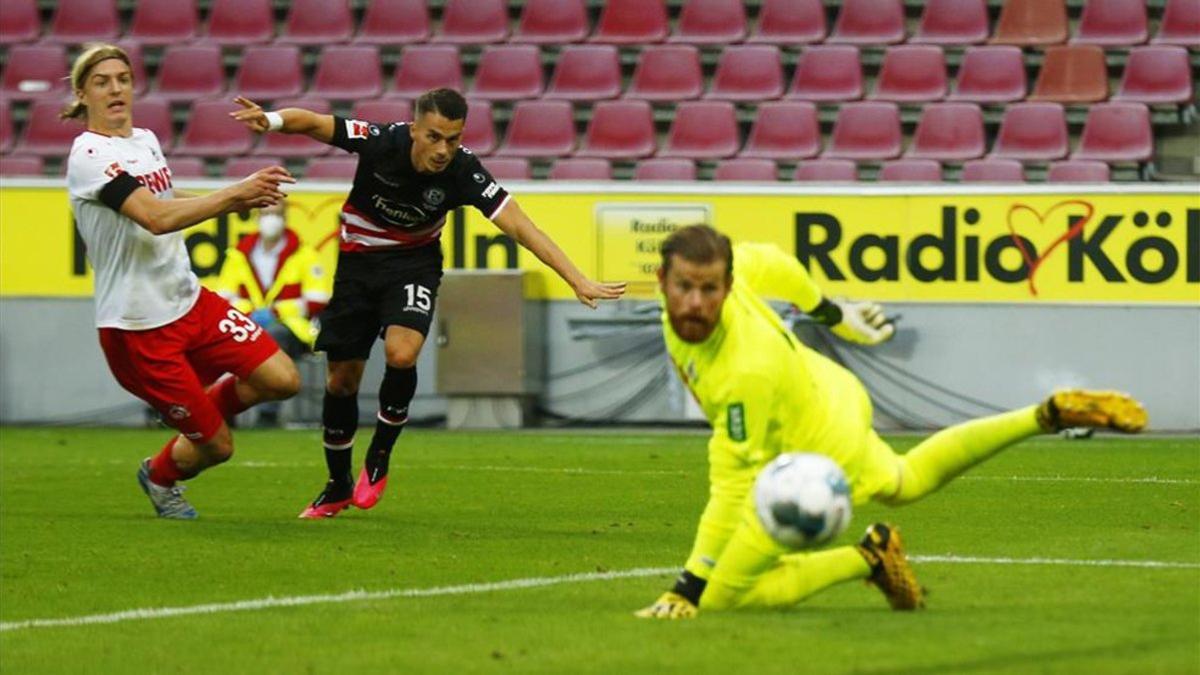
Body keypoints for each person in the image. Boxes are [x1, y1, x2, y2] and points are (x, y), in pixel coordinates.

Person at [636, 224, 1147, 618]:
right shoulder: (716, 284)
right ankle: (1044, 415)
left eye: (709, 290)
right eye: (684, 287)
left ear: (726, 286)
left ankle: (869, 556)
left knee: (724, 598)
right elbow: (772, 262)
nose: (696, 303)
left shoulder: (746, 371)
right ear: (661, 280)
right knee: (905, 481)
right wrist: (831, 313)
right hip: (828, 393)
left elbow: (731, 484)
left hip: (812, 450)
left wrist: (687, 586)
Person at [230, 88, 627, 519]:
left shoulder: (465, 172)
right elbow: (314, 122)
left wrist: (576, 278)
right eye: (435, 137)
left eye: (453, 139)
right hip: (357, 265)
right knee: (341, 381)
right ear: (415, 129)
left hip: (412, 265)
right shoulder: (382, 140)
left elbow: (520, 226)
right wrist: (269, 120)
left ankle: (379, 456)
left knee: (403, 351)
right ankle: (337, 484)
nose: (443, 150)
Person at [64, 44, 302, 520]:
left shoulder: (146, 139)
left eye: (123, 78)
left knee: (283, 378)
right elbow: (153, 217)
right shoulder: (89, 154)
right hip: (139, 327)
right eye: (102, 81)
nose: (116, 89)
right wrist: (233, 192)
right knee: (219, 447)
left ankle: (196, 411)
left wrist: (231, 201)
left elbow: (166, 195)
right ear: (82, 94)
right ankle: (159, 474)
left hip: (189, 302)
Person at [214, 200, 330, 426]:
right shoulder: (239, 254)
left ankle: (267, 413)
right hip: (248, 322)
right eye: (266, 213)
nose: (271, 219)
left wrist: (275, 311)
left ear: (285, 218)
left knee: (273, 336)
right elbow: (224, 296)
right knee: (221, 340)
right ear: (257, 217)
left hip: (292, 329)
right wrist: (251, 314)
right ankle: (223, 410)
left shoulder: (304, 254)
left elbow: (318, 300)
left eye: (276, 214)